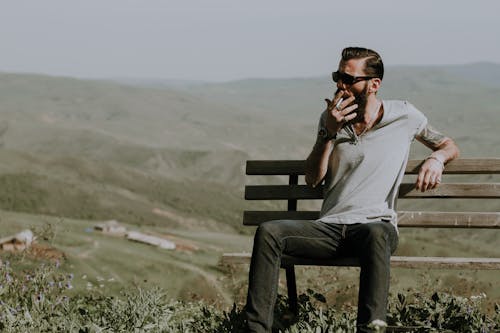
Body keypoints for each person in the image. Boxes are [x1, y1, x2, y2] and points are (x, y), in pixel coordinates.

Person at [244, 47, 460, 333]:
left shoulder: (404, 115)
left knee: (376, 233)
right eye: (337, 77)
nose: (340, 85)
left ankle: (370, 329)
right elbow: (312, 180)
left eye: (349, 79)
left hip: (373, 228)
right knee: (270, 232)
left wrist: (437, 159)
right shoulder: (330, 119)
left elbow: (447, 144)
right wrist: (329, 133)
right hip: (331, 229)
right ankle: (255, 329)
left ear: (374, 84)